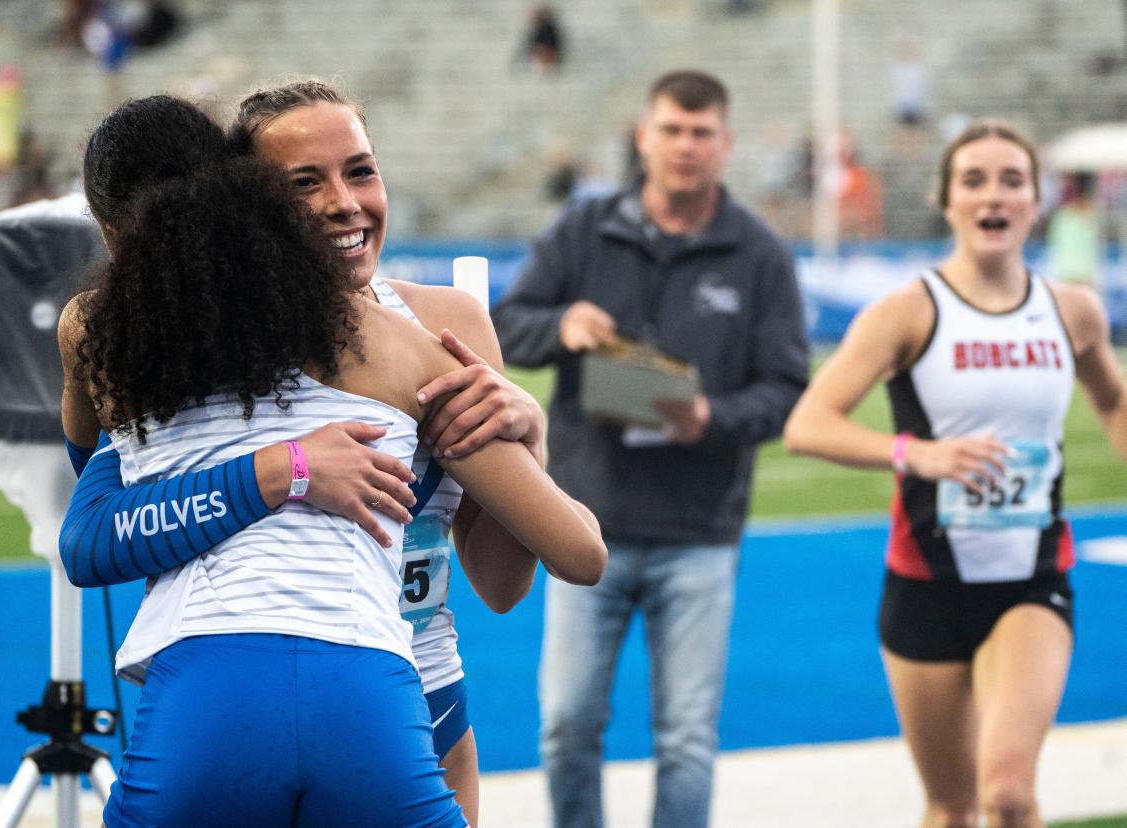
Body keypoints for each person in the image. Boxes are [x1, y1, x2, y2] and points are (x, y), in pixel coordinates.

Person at [63, 95, 607, 827]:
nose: (345, 204)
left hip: (421, 691)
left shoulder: (446, 327)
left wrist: (528, 435)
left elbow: (504, 588)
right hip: (363, 692)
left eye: (361, 172)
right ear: (240, 199)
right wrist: (284, 470)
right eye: (304, 183)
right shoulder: (180, 344)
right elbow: (99, 521)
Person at [783, 120, 1127, 827]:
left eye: (1012, 180)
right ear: (948, 201)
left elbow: (1114, 400)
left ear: (1038, 200)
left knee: (1006, 794)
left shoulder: (1073, 311)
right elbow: (807, 425)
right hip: (925, 584)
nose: (992, 195)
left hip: (1031, 579)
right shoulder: (907, 312)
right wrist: (916, 453)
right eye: (973, 180)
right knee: (951, 805)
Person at [492, 69, 810, 828]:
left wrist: (715, 416)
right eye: (672, 129)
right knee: (567, 724)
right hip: (582, 522)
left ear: (725, 145)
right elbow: (504, 324)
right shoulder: (585, 228)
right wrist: (561, 326)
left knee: (687, 739)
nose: (686, 146)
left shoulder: (760, 254)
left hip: (698, 531)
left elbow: (788, 388)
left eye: (702, 133)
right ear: (644, 137)